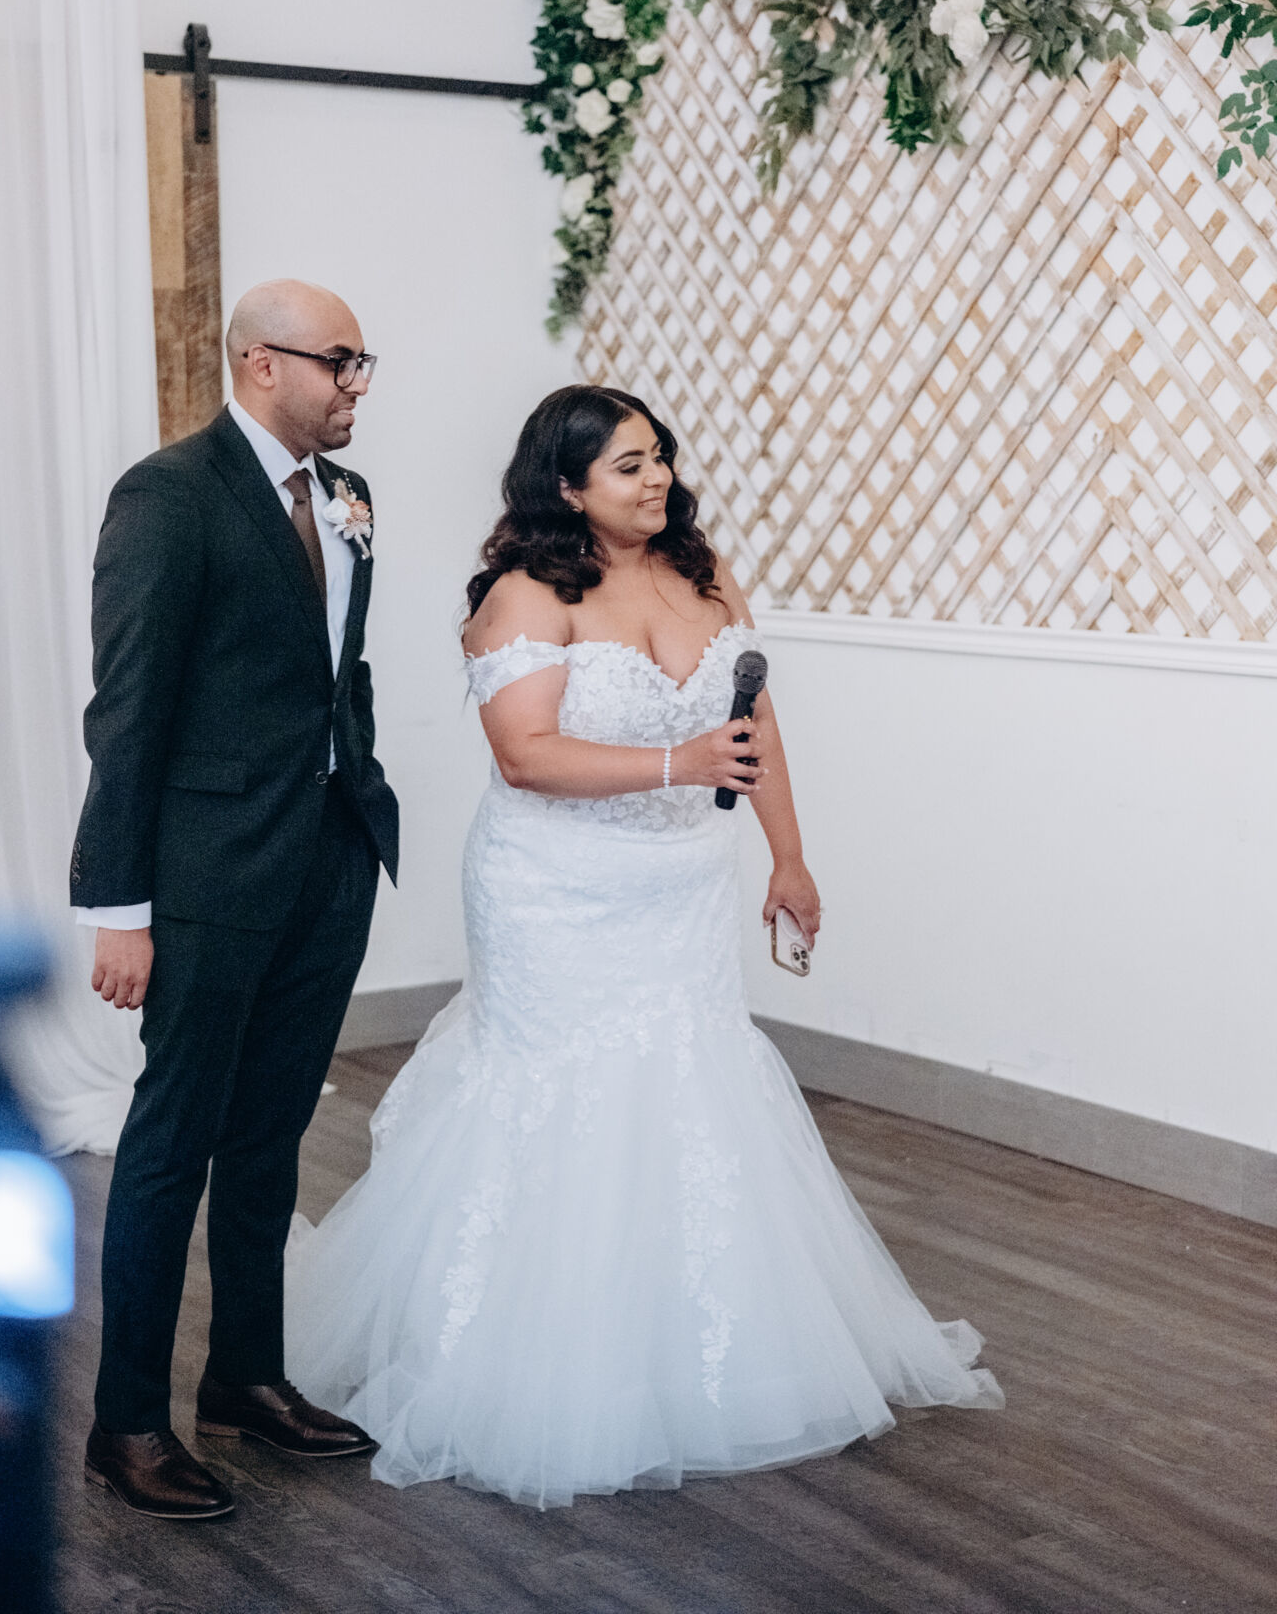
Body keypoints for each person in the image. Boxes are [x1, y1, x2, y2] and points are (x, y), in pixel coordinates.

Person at [285, 384, 1001, 1510]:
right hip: (553, 891)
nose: (656, 475)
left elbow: (754, 728)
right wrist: (681, 765)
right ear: (566, 487)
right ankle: (537, 1356)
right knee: (562, 1095)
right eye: (627, 464)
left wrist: (789, 858)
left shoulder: (703, 575)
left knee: (690, 1084)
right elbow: (526, 756)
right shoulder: (524, 595)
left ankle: (698, 1350)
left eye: (658, 454)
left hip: (683, 885)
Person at [71, 280, 399, 1520]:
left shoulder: (347, 495)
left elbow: (335, 672)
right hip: (207, 875)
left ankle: (245, 1379)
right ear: (261, 363)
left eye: (363, 363)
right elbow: (127, 708)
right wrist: (118, 906)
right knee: (171, 1146)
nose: (357, 383)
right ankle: (126, 1425)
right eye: (339, 361)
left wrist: (358, 798)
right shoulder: (169, 495)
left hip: (326, 856)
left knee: (269, 1135)